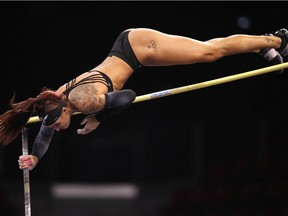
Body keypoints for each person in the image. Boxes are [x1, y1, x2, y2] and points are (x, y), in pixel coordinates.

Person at [0, 27, 287, 170]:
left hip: (139, 47)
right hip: (131, 53)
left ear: (64, 110)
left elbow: (128, 96)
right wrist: (35, 156)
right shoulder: (54, 102)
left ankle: (274, 40)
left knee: (208, 53)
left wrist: (98, 117)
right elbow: (45, 134)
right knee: (208, 51)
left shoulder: (85, 101)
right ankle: (262, 47)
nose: (58, 127)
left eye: (59, 123)